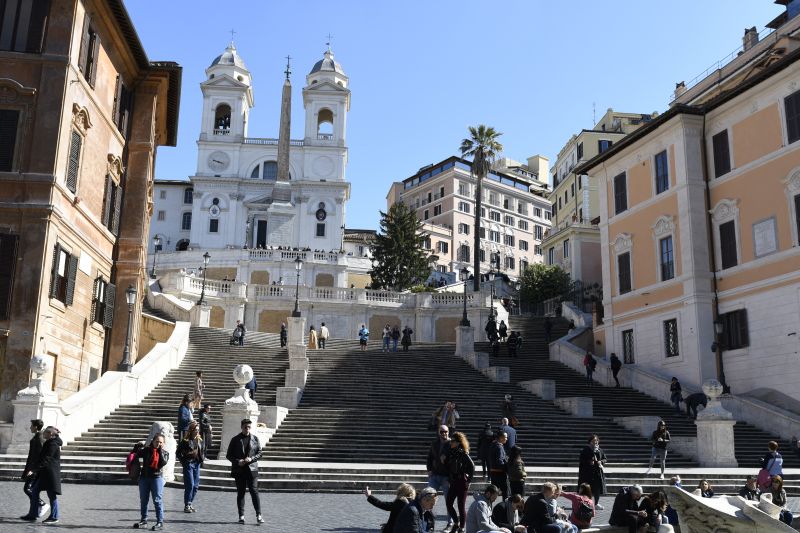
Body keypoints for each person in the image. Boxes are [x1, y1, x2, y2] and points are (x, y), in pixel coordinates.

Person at [225, 418, 264, 525]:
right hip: (239, 470)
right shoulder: (235, 439)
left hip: (252, 469)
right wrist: (238, 461)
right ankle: (241, 515)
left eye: (249, 427)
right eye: (245, 427)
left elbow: (260, 453)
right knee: (241, 493)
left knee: (254, 491)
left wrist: (251, 459)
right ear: (241, 427)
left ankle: (259, 515)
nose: (247, 429)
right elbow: (229, 455)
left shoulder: (255, 439)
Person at [21, 426, 61, 524]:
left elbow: (46, 459)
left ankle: (54, 517)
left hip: (50, 474)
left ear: (50, 434)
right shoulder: (50, 442)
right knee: (34, 491)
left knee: (51, 495)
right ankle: (33, 514)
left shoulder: (53, 444)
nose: (43, 434)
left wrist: (34, 470)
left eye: (45, 433)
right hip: (44, 473)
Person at [133, 432, 168, 530]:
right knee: (144, 500)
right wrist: (137, 446)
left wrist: (160, 450)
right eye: (157, 441)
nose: (158, 444)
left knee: (157, 500)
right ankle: (144, 520)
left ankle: (160, 522)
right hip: (144, 478)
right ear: (152, 441)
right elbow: (135, 454)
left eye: (161, 442)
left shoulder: (165, 453)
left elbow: (163, 462)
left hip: (157, 478)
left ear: (163, 443)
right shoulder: (146, 450)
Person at [445, 431, 475, 532]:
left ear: (458, 442)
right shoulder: (451, 452)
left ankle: (462, 528)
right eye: (451, 441)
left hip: (462, 481)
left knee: (461, 506)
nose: (451, 443)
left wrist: (469, 481)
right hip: (453, 481)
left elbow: (472, 466)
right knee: (448, 503)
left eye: (453, 441)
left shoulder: (463, 453)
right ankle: (456, 522)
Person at [427, 425, 454, 531]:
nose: (444, 433)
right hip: (435, 475)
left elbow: (455, 460)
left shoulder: (452, 444)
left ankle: (450, 523)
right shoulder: (435, 443)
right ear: (439, 432)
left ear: (448, 432)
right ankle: (428, 522)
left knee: (449, 501)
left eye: (445, 431)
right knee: (428, 498)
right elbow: (429, 457)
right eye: (442, 432)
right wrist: (429, 469)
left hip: (446, 477)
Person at [21, 419, 47, 519]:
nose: (30, 427)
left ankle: (42, 504)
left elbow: (41, 455)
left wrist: (34, 469)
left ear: (36, 426)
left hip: (35, 469)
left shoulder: (40, 437)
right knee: (31, 489)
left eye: (32, 425)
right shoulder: (37, 436)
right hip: (32, 468)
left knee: (28, 489)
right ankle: (33, 513)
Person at [177, 420, 204, 513]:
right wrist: (184, 462)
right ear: (191, 430)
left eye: (198, 429)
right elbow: (178, 453)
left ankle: (190, 503)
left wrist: (201, 459)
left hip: (197, 464)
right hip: (188, 464)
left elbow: (202, 451)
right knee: (190, 485)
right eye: (196, 429)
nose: (197, 431)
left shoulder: (199, 440)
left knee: (196, 486)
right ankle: (187, 505)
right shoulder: (185, 441)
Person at [578, 434, 607, 508]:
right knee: (587, 488)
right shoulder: (586, 449)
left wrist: (601, 462)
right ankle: (586, 502)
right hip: (587, 473)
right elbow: (581, 459)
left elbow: (605, 458)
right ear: (590, 441)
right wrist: (589, 462)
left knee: (597, 489)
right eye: (594, 440)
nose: (596, 442)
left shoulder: (600, 450)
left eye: (597, 440)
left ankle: (596, 503)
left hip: (597, 472)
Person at [489, 432, 510, 500]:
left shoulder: (492, 444)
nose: (506, 439)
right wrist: (506, 468)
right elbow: (500, 461)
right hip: (500, 473)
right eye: (505, 437)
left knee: (492, 492)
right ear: (501, 437)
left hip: (492, 472)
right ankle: (505, 508)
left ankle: (488, 508)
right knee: (505, 492)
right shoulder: (499, 447)